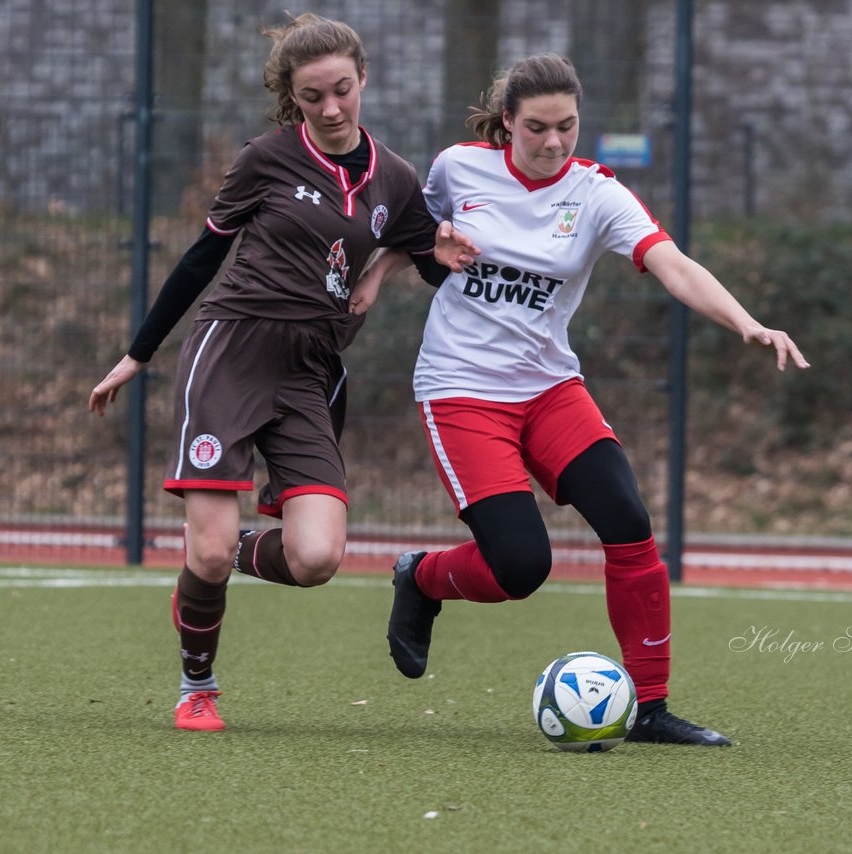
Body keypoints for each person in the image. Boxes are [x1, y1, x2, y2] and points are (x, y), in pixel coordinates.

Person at [355, 53, 810, 747]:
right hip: (462, 390)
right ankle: (422, 578)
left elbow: (672, 263)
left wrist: (745, 319)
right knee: (520, 567)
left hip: (549, 387)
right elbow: (415, 231)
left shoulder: (598, 194)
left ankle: (650, 709)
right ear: (507, 122)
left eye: (568, 126)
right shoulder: (457, 168)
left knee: (627, 520)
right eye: (536, 128)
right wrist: (379, 275)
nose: (554, 143)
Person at [87, 13, 458, 732]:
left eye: (342, 90)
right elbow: (203, 257)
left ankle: (215, 556)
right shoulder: (266, 158)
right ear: (293, 97)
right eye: (313, 96)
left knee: (316, 557)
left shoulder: (399, 179)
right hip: (231, 352)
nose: (330, 109)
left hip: (310, 370)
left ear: (363, 79)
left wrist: (436, 259)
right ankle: (200, 683)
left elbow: (429, 257)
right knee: (213, 547)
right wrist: (139, 353)